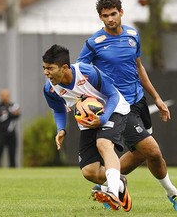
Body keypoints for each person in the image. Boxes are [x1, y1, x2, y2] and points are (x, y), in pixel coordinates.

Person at [77, 0, 177, 212]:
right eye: (105, 16)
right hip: (119, 107)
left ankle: (113, 183)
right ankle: (173, 194)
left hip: (139, 101)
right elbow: (80, 73)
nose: (110, 19)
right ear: (99, 17)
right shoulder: (94, 43)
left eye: (113, 14)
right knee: (154, 151)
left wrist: (157, 98)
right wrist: (86, 98)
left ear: (121, 12)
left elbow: (138, 67)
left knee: (143, 153)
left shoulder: (133, 35)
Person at [42, 44, 131, 211]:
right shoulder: (50, 88)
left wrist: (103, 119)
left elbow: (112, 95)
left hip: (113, 109)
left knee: (103, 143)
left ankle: (112, 191)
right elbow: (58, 109)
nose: (46, 73)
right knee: (90, 171)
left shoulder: (86, 72)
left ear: (65, 68)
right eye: (44, 68)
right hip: (88, 120)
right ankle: (119, 183)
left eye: (50, 68)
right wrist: (61, 129)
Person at [0, 88, 20, 168]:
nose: (5, 97)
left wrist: (6, 113)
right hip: (0, 135)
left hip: (11, 135)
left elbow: (17, 115)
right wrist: (11, 113)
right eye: (3, 95)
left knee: (12, 156)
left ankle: (13, 174)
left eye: (6, 95)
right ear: (0, 96)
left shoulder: (13, 105)